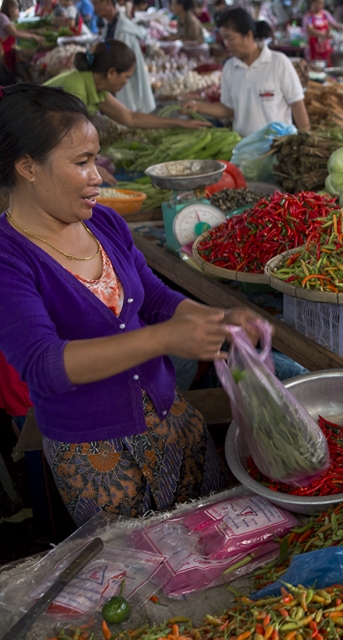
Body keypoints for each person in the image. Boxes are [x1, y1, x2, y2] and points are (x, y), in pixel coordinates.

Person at [0, 83, 265, 525]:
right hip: (95, 453)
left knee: (219, 548)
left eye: (94, 160)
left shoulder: (102, 220)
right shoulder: (9, 256)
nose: (97, 176)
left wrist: (219, 320)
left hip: (171, 419)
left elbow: (157, 298)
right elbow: (44, 366)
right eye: (81, 163)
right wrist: (162, 338)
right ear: (27, 166)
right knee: (147, 576)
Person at [184, 8, 309, 136]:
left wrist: (307, 141)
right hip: (245, 147)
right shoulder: (230, 67)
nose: (226, 44)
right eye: (224, 39)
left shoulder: (278, 62)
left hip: (277, 148)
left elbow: (297, 105)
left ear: (248, 35)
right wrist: (197, 106)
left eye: (230, 38)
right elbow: (228, 108)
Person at [44, 41, 207, 130]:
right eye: (126, 77)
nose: (126, 83)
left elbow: (130, 118)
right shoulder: (75, 90)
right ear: (111, 73)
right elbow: (64, 141)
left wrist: (181, 123)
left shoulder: (95, 86)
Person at [94, 0, 156, 115]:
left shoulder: (124, 31)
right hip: (116, 80)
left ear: (108, 3)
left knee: (129, 113)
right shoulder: (110, 26)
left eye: (97, 3)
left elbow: (123, 63)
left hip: (124, 82)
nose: (95, 7)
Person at [1, 0, 45, 79]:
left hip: (8, 50)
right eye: (16, 8)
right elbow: (15, 33)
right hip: (3, 51)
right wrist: (33, 36)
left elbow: (16, 30)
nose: (17, 10)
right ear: (10, 9)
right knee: (6, 74)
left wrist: (33, 31)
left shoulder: (5, 18)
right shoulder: (2, 17)